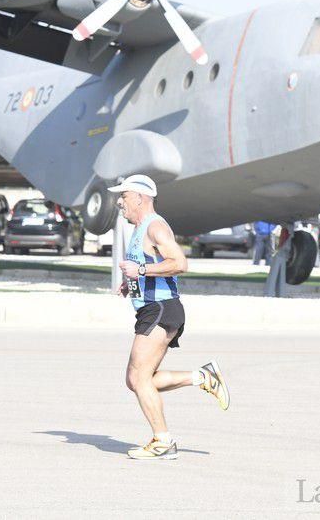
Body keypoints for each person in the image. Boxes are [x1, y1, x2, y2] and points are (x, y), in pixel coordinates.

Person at [108, 174, 230, 460]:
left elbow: (179, 263)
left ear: (140, 197)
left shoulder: (156, 227)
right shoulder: (139, 230)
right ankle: (202, 377)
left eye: (124, 196)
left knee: (139, 377)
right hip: (153, 308)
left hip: (162, 308)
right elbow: (148, 265)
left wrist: (140, 272)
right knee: (136, 379)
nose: (120, 202)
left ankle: (163, 441)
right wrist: (132, 284)